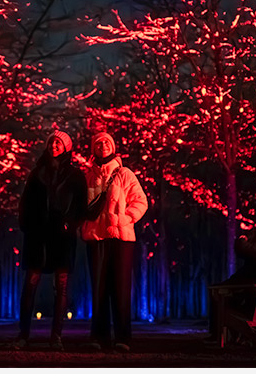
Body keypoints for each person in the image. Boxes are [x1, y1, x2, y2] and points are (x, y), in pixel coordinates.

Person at [15, 129, 87, 351]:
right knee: (30, 283)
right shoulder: (37, 172)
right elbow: (25, 202)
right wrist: (26, 225)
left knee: (62, 286)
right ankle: (23, 335)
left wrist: (70, 224)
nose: (54, 146)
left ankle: (56, 336)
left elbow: (81, 205)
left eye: (58, 143)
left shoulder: (75, 175)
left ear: (66, 147)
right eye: (51, 142)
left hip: (62, 236)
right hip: (37, 235)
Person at [81, 131, 148, 352]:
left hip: (121, 237)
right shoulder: (88, 176)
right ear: (93, 148)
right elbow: (82, 206)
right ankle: (98, 337)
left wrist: (123, 219)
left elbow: (140, 201)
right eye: (98, 143)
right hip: (95, 237)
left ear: (113, 146)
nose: (103, 146)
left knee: (120, 288)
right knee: (98, 288)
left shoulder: (125, 174)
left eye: (107, 142)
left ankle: (123, 337)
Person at [207, 226, 256, 341]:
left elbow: (242, 248)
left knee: (219, 295)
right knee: (231, 297)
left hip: (254, 303)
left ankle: (219, 335)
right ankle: (236, 335)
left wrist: (243, 239)